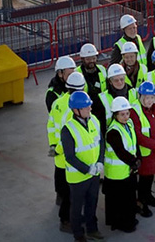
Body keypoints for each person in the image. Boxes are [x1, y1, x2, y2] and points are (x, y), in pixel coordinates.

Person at [60, 91, 105, 242]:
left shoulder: (94, 121)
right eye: (86, 107)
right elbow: (70, 157)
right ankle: (78, 234)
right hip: (78, 177)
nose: (90, 109)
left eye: (89, 105)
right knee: (77, 207)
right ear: (76, 110)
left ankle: (92, 229)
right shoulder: (68, 129)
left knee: (92, 202)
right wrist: (88, 169)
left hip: (94, 174)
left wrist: (99, 162)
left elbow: (100, 142)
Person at [47, 71, 86, 233]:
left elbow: (51, 126)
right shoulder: (74, 107)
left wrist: (53, 145)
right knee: (71, 192)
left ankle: (70, 217)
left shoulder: (58, 103)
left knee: (67, 191)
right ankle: (66, 220)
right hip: (69, 156)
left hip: (60, 155)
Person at [129, 81, 155, 217]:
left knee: (150, 176)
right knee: (143, 178)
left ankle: (148, 196)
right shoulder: (135, 112)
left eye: (152, 97)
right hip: (145, 153)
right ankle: (142, 201)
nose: (149, 101)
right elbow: (138, 134)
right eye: (146, 98)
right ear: (140, 97)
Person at [103, 97, 140, 233]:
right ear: (115, 115)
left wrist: (136, 159)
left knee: (129, 198)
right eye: (122, 114)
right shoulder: (113, 131)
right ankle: (123, 223)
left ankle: (128, 219)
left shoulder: (129, 124)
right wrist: (134, 161)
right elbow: (120, 152)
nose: (126, 117)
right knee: (120, 200)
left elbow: (133, 144)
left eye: (127, 113)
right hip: (117, 173)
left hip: (127, 170)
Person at [97, 64, 139, 134]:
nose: (120, 82)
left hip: (134, 133)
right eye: (116, 80)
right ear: (110, 81)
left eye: (122, 79)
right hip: (114, 134)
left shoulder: (134, 92)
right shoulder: (102, 98)